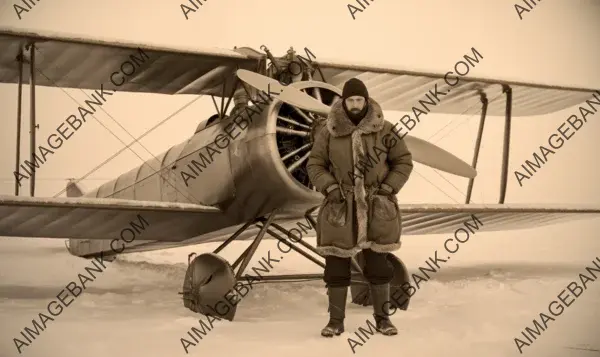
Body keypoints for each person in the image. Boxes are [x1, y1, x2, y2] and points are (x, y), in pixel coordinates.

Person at [306, 78, 413, 337]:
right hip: (339, 207)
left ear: (366, 101)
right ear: (343, 102)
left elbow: (404, 162)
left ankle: (383, 320)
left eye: (359, 100)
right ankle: (335, 322)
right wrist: (330, 188)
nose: (355, 104)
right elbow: (315, 165)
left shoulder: (386, 130)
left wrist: (388, 189)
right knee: (336, 267)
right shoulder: (327, 132)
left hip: (378, 207)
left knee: (378, 265)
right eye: (351, 100)